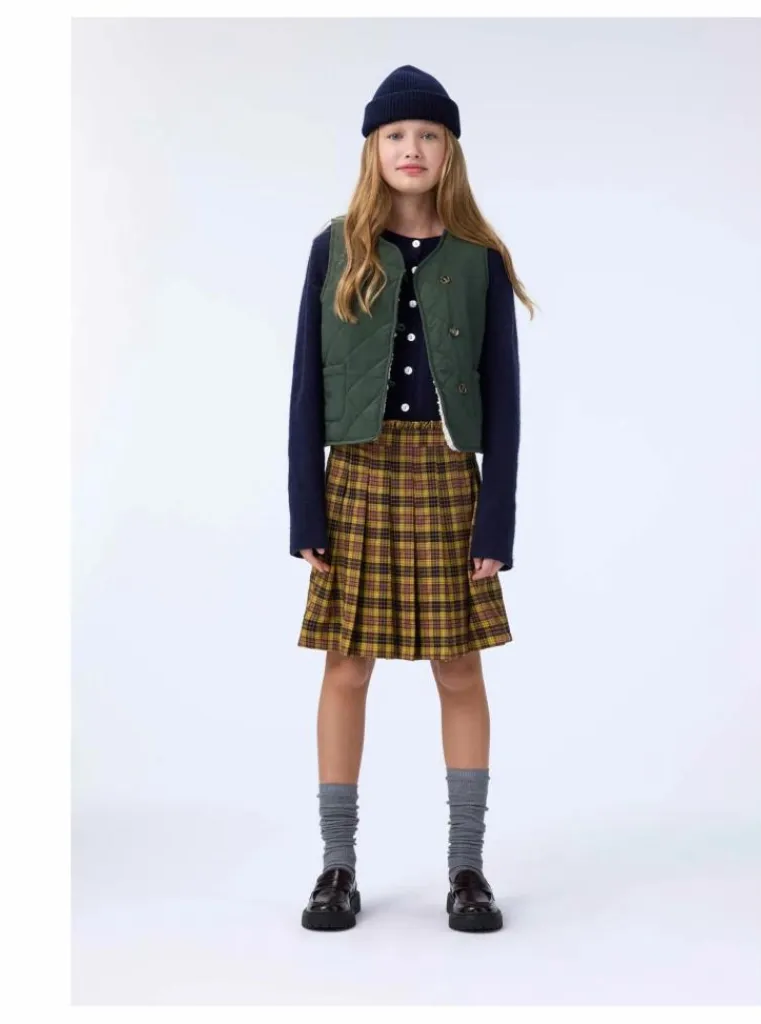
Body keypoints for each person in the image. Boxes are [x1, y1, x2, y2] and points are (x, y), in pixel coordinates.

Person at [287, 64, 535, 933]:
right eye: (396, 134)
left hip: (446, 476)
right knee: (345, 665)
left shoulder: (480, 259)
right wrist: (305, 508)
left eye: (429, 134)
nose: (412, 148)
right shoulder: (334, 249)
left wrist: (497, 516)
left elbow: (505, 400)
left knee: (458, 667)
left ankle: (467, 867)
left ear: (449, 150)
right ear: (373, 149)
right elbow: (305, 386)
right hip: (355, 474)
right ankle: (337, 866)